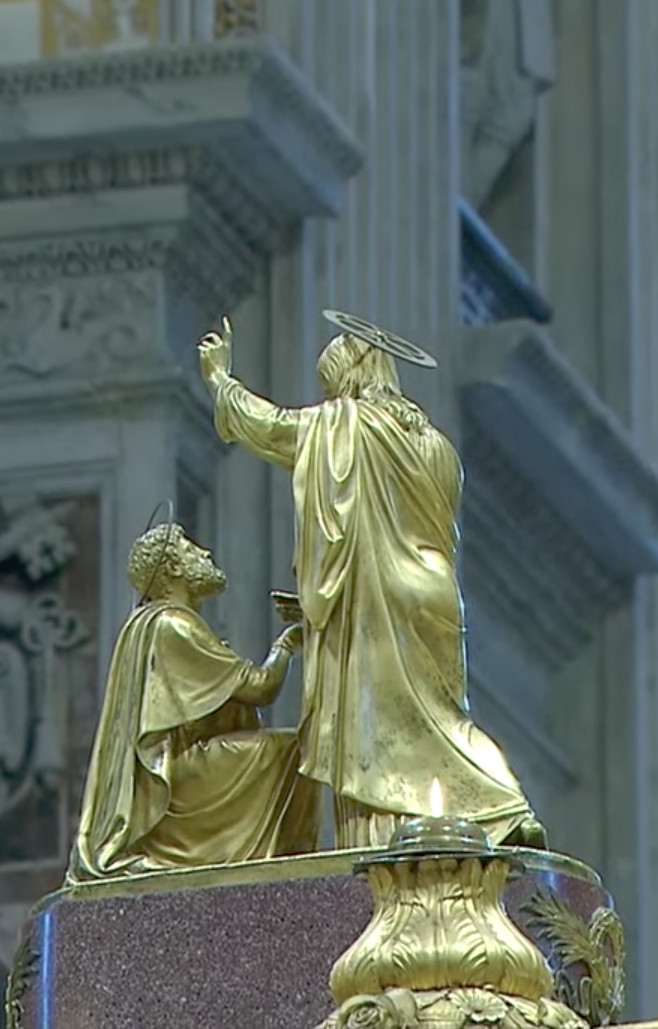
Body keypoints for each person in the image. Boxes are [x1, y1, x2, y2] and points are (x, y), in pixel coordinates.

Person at [197, 314, 545, 850]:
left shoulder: (346, 425)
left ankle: (399, 850)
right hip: (435, 594)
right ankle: (506, 802)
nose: (330, 397)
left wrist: (220, 378)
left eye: (332, 383)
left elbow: (271, 427)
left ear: (350, 376)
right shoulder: (436, 446)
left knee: (375, 739)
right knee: (444, 722)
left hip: (379, 600)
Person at [69, 523, 318, 881]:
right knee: (297, 750)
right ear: (172, 569)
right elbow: (260, 689)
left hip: (176, 767)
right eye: (190, 549)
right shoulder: (173, 625)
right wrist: (288, 644)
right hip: (173, 777)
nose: (205, 554)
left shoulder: (151, 623)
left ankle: (286, 872)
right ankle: (289, 871)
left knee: (284, 749)